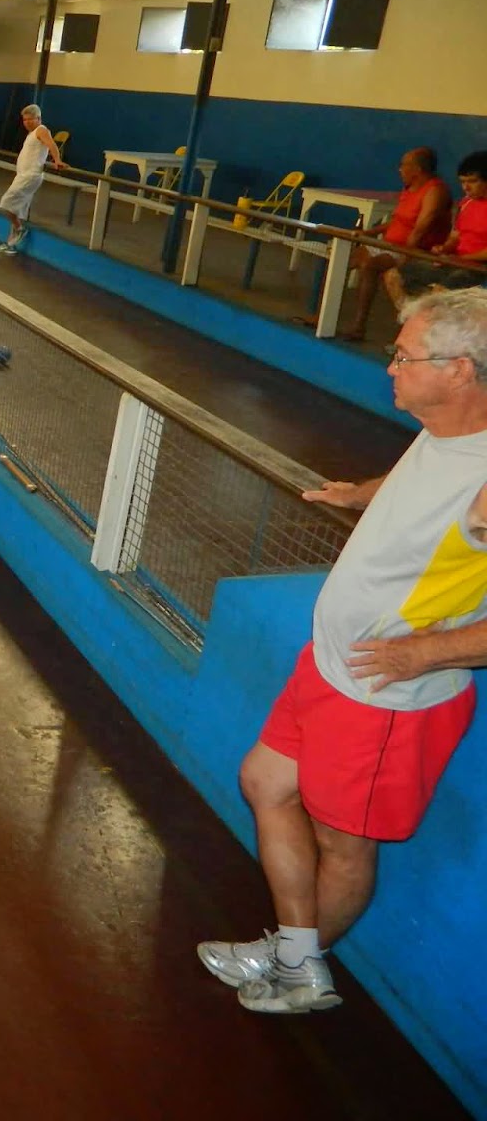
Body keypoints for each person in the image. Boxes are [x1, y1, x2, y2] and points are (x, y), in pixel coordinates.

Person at [197, 288, 487, 1014]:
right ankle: (295, 954)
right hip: (331, 666)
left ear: (459, 370)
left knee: (345, 846)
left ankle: (301, 969)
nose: (388, 367)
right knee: (265, 782)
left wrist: (430, 654)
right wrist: (363, 495)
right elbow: (423, 481)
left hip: (384, 701)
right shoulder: (443, 426)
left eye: (403, 356)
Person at [342, 147, 451, 341]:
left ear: (416, 169)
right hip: (389, 245)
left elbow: (421, 228)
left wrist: (405, 255)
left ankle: (359, 326)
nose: (400, 170)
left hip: (414, 250)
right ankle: (324, 314)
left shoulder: (435, 191)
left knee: (370, 265)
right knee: (340, 259)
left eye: (403, 165)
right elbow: (397, 221)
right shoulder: (408, 189)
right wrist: (368, 233)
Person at [385, 150, 487, 309]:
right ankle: (409, 318)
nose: (465, 187)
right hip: (457, 261)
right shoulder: (466, 203)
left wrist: (462, 259)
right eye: (462, 181)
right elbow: (455, 236)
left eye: (472, 181)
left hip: (478, 268)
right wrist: (444, 248)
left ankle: (423, 319)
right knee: (394, 275)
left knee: (439, 293)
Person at [0, 103, 65, 256]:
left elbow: (51, 144)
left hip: (30, 176)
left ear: (38, 118)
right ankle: (11, 244)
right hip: (23, 174)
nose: (27, 123)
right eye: (24, 120)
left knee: (6, 203)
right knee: (16, 209)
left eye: (30, 119)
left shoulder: (41, 130)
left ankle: (20, 229)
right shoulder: (31, 134)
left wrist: (57, 160)